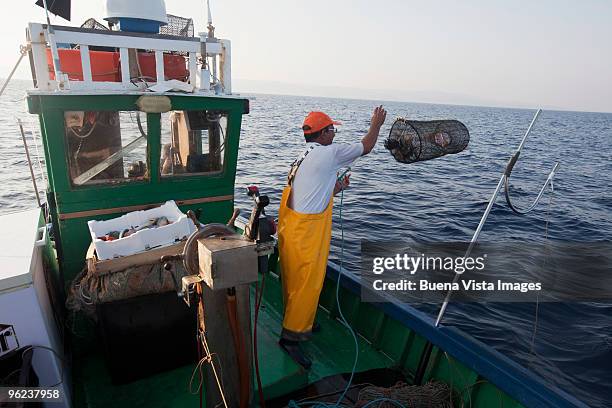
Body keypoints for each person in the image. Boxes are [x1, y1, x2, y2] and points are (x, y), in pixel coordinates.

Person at [277, 106, 387, 368]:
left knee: (294, 281)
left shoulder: (303, 156)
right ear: (323, 133)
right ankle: (290, 339)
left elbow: (310, 194)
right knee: (307, 284)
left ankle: (302, 321)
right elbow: (367, 146)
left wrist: (336, 187)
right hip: (307, 234)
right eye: (332, 130)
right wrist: (376, 124)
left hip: (292, 229)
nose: (335, 135)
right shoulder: (329, 153)